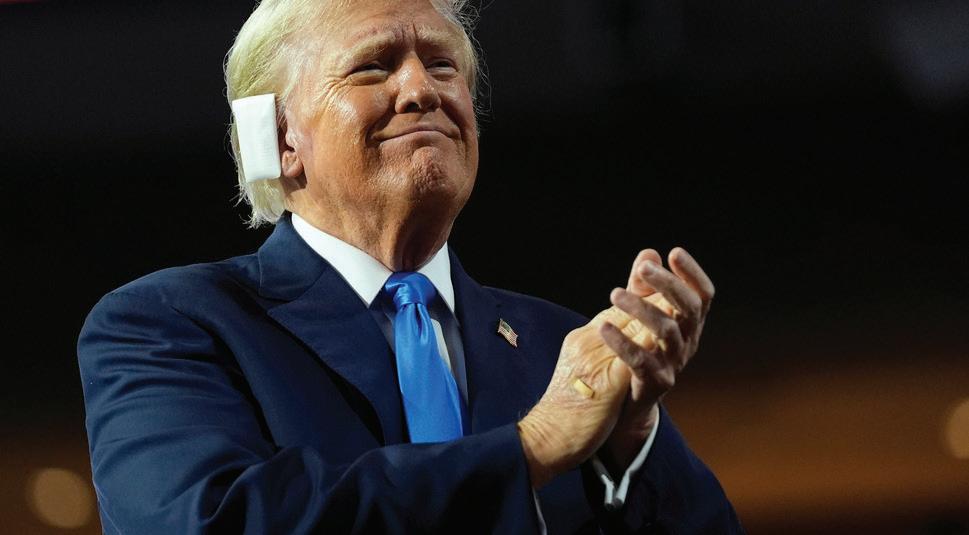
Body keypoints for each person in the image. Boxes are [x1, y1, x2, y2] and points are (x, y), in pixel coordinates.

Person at [77, 0, 744, 533]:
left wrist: (628, 446)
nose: (422, 89)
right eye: (373, 67)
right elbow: (212, 521)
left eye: (443, 65)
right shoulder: (169, 326)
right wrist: (531, 448)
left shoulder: (564, 350)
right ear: (279, 139)